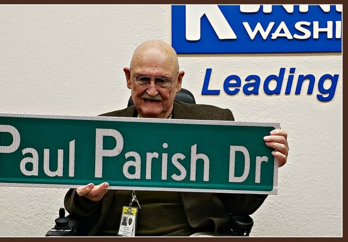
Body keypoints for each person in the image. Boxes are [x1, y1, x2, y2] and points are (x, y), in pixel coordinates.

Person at [64, 40, 289, 236]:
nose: (151, 90)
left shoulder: (214, 123)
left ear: (178, 81)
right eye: (143, 79)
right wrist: (87, 199)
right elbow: (75, 203)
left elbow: (239, 205)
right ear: (128, 79)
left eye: (162, 81)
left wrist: (265, 168)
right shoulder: (102, 129)